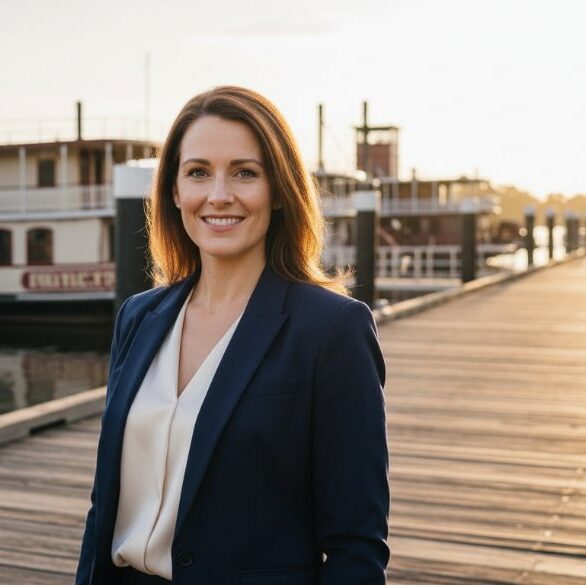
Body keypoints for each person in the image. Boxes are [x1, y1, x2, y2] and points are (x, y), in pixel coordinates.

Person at [75, 85, 389, 585]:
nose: (219, 195)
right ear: (175, 191)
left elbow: (357, 544)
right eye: (198, 172)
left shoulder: (332, 330)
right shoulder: (138, 317)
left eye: (245, 172)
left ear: (280, 190)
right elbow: (103, 509)